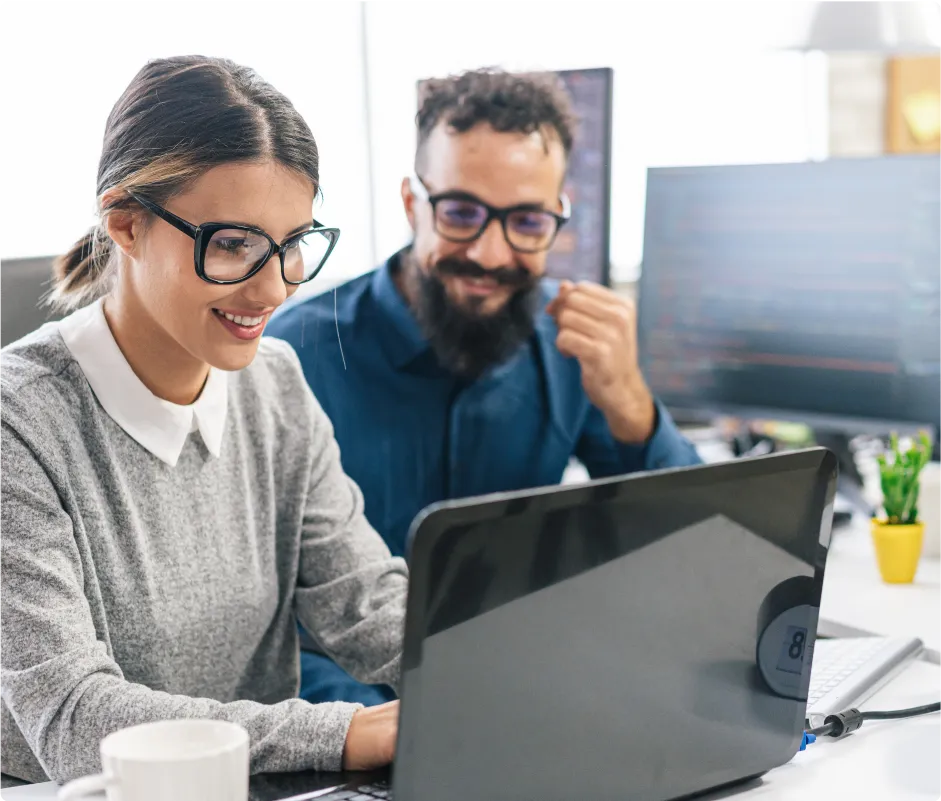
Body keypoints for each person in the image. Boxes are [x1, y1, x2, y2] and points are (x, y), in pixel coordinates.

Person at [0, 55, 404, 788]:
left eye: (292, 245)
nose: (273, 286)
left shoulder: (274, 382)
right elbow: (72, 717)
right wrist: (342, 731)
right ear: (124, 222)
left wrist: (507, 670)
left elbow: (364, 601)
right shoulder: (17, 423)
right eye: (232, 244)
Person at [265, 68, 702, 708]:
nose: (493, 254)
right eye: (463, 213)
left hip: (525, 701)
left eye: (527, 222)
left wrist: (634, 408)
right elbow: (264, 628)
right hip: (346, 728)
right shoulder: (296, 354)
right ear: (414, 205)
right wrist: (394, 727)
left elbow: (691, 547)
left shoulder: (570, 343)